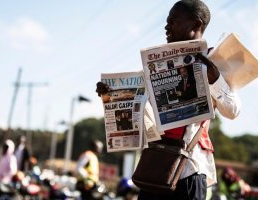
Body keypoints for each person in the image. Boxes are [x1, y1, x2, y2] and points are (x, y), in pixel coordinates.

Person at [96, 0, 241, 199]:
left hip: (189, 170)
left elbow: (233, 111)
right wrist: (111, 93)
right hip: (154, 168)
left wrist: (214, 79)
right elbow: (132, 111)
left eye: (173, 21)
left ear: (196, 25)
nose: (166, 26)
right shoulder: (154, 64)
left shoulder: (214, 62)